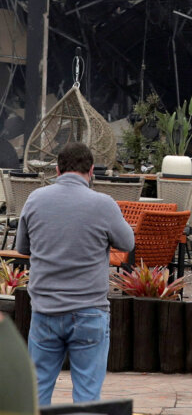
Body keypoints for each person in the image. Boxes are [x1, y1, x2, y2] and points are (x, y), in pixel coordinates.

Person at [14, 142, 135, 405]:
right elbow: (128, 243)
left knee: (35, 393)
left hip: (45, 310)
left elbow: (22, 248)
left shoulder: (35, 199)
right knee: (87, 399)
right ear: (91, 170)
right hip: (89, 310)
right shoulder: (104, 204)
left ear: (57, 170)